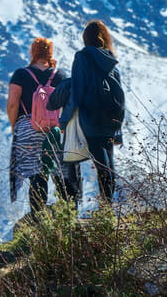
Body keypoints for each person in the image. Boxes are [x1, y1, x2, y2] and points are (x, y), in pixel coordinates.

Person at [7, 37, 78, 216]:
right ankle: (68, 213)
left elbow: (13, 104)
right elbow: (70, 104)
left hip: (28, 129)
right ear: (50, 53)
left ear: (33, 52)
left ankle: (38, 216)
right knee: (59, 171)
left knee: (36, 173)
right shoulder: (61, 76)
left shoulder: (21, 75)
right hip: (54, 130)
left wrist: (14, 126)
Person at [67, 20, 124, 202]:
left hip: (91, 117)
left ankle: (106, 207)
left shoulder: (82, 57)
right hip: (111, 119)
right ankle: (108, 204)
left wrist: (64, 119)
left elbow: (77, 91)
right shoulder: (110, 59)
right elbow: (118, 94)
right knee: (109, 161)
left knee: (100, 162)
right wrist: (118, 132)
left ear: (86, 38)